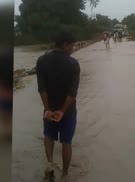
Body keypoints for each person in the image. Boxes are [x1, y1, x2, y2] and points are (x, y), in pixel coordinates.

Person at [36, 32, 80, 182]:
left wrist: (47, 109)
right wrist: (62, 111)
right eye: (72, 45)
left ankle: (50, 167)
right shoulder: (73, 64)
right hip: (68, 111)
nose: (73, 49)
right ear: (65, 44)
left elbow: (42, 89)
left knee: (48, 137)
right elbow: (72, 93)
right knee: (66, 142)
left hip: (49, 109)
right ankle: (65, 175)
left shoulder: (41, 61)